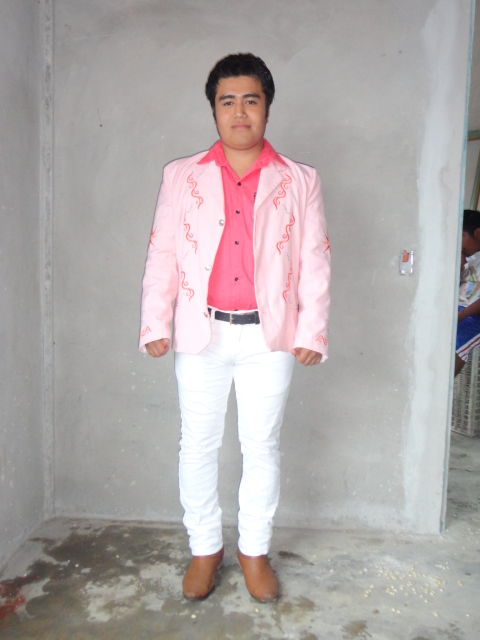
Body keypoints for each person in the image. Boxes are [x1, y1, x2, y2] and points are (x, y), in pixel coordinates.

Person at [139, 53, 331, 602]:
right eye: (228, 101)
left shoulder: (299, 180)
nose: (240, 112)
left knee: (261, 446)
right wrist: (155, 320)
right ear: (214, 109)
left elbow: (314, 258)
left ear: (267, 107)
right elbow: (163, 251)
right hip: (201, 334)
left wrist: (311, 330)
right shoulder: (182, 176)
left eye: (251, 100)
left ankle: (253, 551)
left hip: (269, 337)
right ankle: (205, 548)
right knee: (197, 445)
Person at [455, 209, 480, 376]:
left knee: (460, 334)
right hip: (460, 309)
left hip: (474, 316)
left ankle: (441, 385)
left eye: (462, 236)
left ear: (477, 233)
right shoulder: (470, 256)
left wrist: (461, 316)